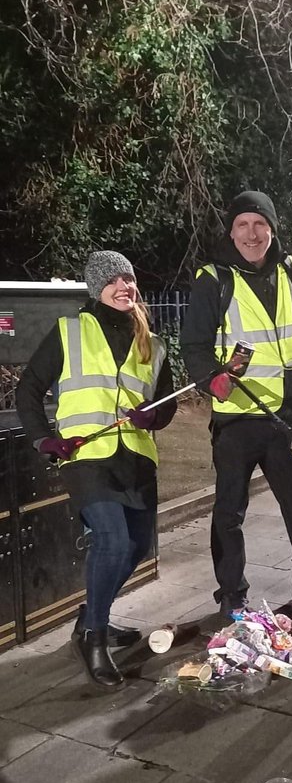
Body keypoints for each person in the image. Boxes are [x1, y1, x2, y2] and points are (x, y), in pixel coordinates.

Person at [180, 189, 292, 621]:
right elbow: (194, 346)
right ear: (231, 231)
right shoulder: (213, 278)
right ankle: (232, 595)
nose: (252, 233)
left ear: (272, 230)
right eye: (243, 225)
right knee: (229, 513)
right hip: (237, 418)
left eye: (260, 224)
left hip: (287, 415)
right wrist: (213, 380)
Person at [16, 251, 177, 692]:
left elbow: (168, 403)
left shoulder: (155, 343)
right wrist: (44, 439)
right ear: (96, 288)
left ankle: (89, 615)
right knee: (112, 539)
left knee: (138, 545)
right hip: (87, 456)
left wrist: (154, 417)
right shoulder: (70, 331)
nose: (124, 286)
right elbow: (27, 390)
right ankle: (94, 637)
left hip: (136, 457)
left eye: (128, 278)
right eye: (113, 280)